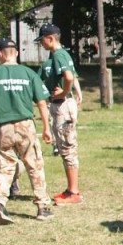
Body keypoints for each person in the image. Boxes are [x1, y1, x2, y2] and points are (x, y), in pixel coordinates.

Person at [0, 38, 54, 224]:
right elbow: (42, 103)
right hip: (26, 126)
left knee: (4, 166)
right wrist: (46, 128)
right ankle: (43, 207)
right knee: (34, 165)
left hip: (3, 127)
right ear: (17, 53)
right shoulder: (29, 73)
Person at [37, 24, 83, 205]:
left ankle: (74, 193)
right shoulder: (62, 54)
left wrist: (64, 93)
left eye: (42, 40)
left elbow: (69, 77)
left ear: (50, 38)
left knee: (67, 149)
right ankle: (71, 189)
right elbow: (72, 76)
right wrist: (76, 92)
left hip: (62, 105)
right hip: (65, 103)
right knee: (66, 148)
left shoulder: (58, 55)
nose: (41, 44)